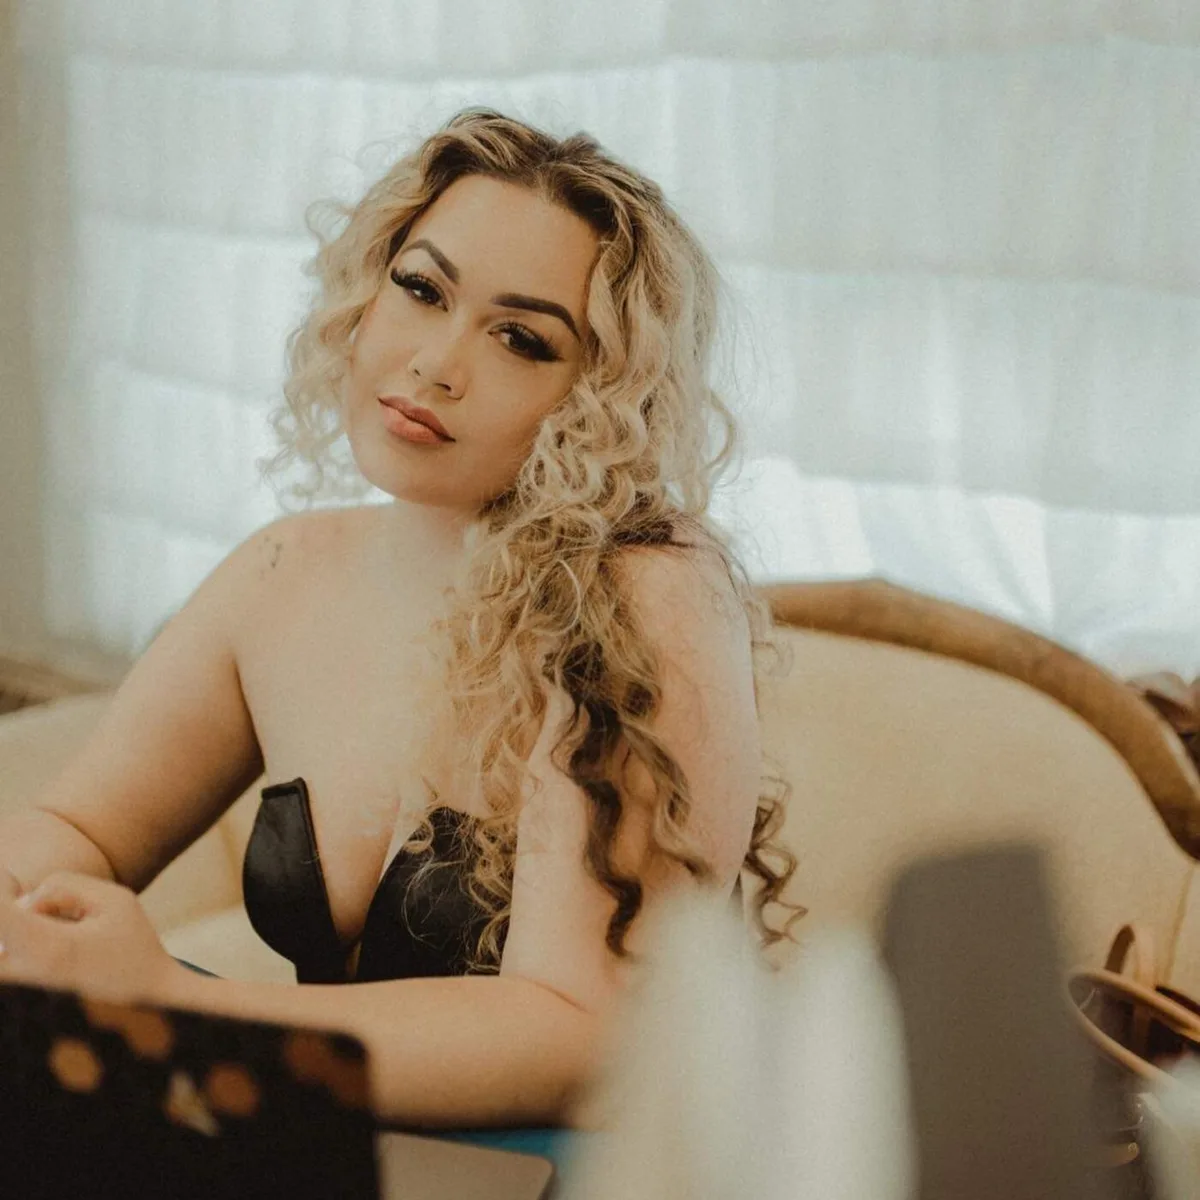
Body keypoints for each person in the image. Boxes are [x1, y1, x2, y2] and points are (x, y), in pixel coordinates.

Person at [0, 108, 799, 1132]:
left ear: (599, 394)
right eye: (423, 289)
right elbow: (82, 829)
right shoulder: (284, 573)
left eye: (521, 338)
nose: (436, 362)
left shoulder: (648, 597)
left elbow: (583, 1038)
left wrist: (169, 1001)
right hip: (345, 1140)